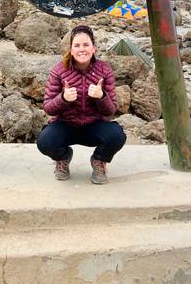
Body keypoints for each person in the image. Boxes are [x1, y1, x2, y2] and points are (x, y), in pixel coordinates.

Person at [37, 24, 126, 184]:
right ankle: (63, 157)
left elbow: (111, 110)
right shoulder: (59, 70)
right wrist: (63, 98)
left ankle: (99, 161)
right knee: (45, 141)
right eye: (77, 45)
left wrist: (101, 96)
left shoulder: (104, 70)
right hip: (65, 125)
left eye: (86, 45)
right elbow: (48, 108)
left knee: (117, 135)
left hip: (94, 126)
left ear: (94, 49)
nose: (82, 49)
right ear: (71, 50)